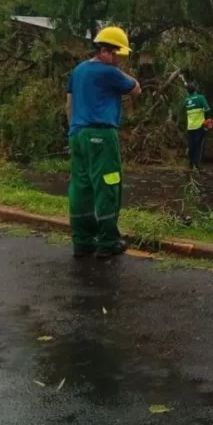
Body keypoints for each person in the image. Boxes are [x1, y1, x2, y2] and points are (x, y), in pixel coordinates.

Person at [66, 26, 141, 259]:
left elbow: (69, 104)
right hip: (101, 135)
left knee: (81, 187)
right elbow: (136, 89)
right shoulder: (109, 72)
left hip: (77, 134)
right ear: (105, 51)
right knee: (108, 185)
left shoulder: (78, 71)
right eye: (118, 55)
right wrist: (122, 73)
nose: (119, 61)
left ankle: (82, 241)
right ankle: (108, 241)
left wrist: (73, 132)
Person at [184, 83, 213, 168]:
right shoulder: (200, 98)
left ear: (187, 91)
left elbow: (184, 110)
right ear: (196, 89)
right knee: (199, 145)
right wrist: (203, 111)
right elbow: (208, 109)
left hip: (190, 126)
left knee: (191, 144)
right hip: (200, 125)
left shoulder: (186, 100)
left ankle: (190, 163)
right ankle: (196, 164)